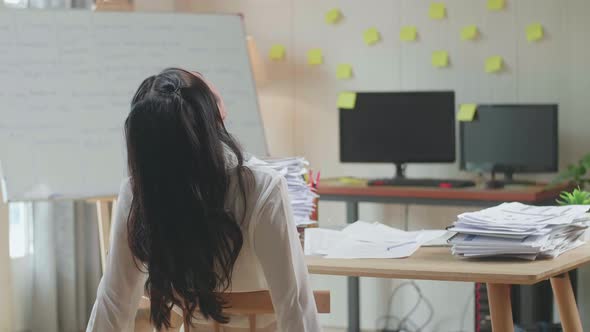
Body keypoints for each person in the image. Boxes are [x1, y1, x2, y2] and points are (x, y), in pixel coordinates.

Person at [86, 68, 321, 332]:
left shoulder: (138, 190)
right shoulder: (262, 186)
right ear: (215, 117)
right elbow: (294, 303)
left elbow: (115, 300)